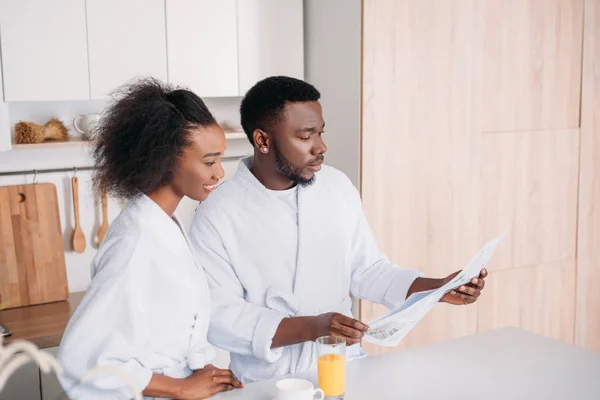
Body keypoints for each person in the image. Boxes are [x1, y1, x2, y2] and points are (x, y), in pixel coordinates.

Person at [189, 76, 488, 384]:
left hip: (344, 368)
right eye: (306, 136)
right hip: (268, 383)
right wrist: (311, 327)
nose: (321, 147)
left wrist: (437, 288)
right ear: (263, 140)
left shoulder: (335, 186)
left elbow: (368, 270)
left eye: (320, 132)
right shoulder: (218, 214)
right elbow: (218, 316)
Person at [57, 78, 243, 400]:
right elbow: (80, 356)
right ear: (165, 158)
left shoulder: (165, 223)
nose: (219, 173)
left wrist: (197, 371)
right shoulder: (135, 240)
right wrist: (180, 387)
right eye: (209, 161)